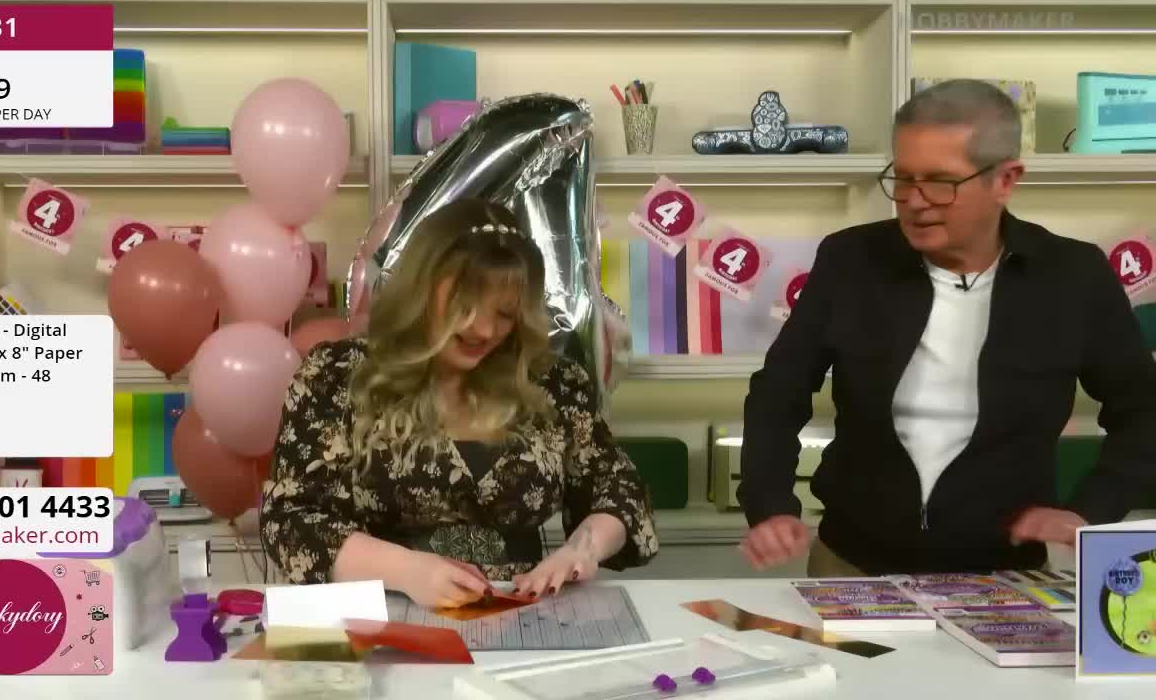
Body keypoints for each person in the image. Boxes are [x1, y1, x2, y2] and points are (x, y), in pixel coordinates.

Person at [737, 78, 1156, 577]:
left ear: (1005, 179)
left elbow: (1143, 412)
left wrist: (1089, 510)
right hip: (851, 562)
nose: (914, 200)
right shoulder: (850, 260)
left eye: (940, 181)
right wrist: (769, 502)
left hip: (1008, 575)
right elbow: (778, 391)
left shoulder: (1074, 277)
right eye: (904, 178)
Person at [261, 198, 658, 608]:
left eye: (504, 314)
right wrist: (407, 570)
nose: (484, 330)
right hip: (384, 610)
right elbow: (290, 518)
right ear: (420, 291)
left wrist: (582, 548)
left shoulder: (553, 384)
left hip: (523, 612)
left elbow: (618, 490)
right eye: (463, 307)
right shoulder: (338, 376)